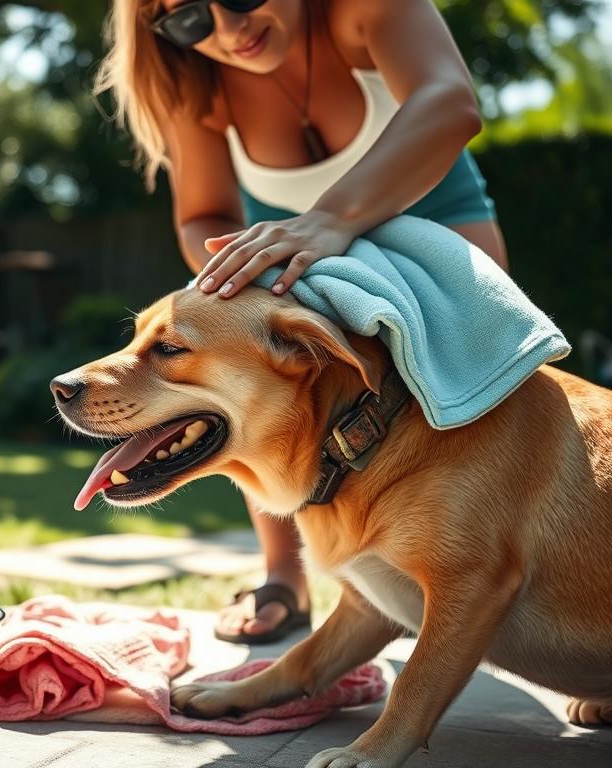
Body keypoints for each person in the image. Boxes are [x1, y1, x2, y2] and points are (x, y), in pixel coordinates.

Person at [95, 0, 508, 644]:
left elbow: (451, 102)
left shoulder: (364, 10)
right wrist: (247, 283)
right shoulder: (195, 85)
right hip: (294, 270)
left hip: (441, 245)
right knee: (240, 368)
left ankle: (454, 574)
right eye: (190, 21)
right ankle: (283, 578)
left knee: (451, 426)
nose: (230, 31)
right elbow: (201, 217)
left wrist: (333, 220)